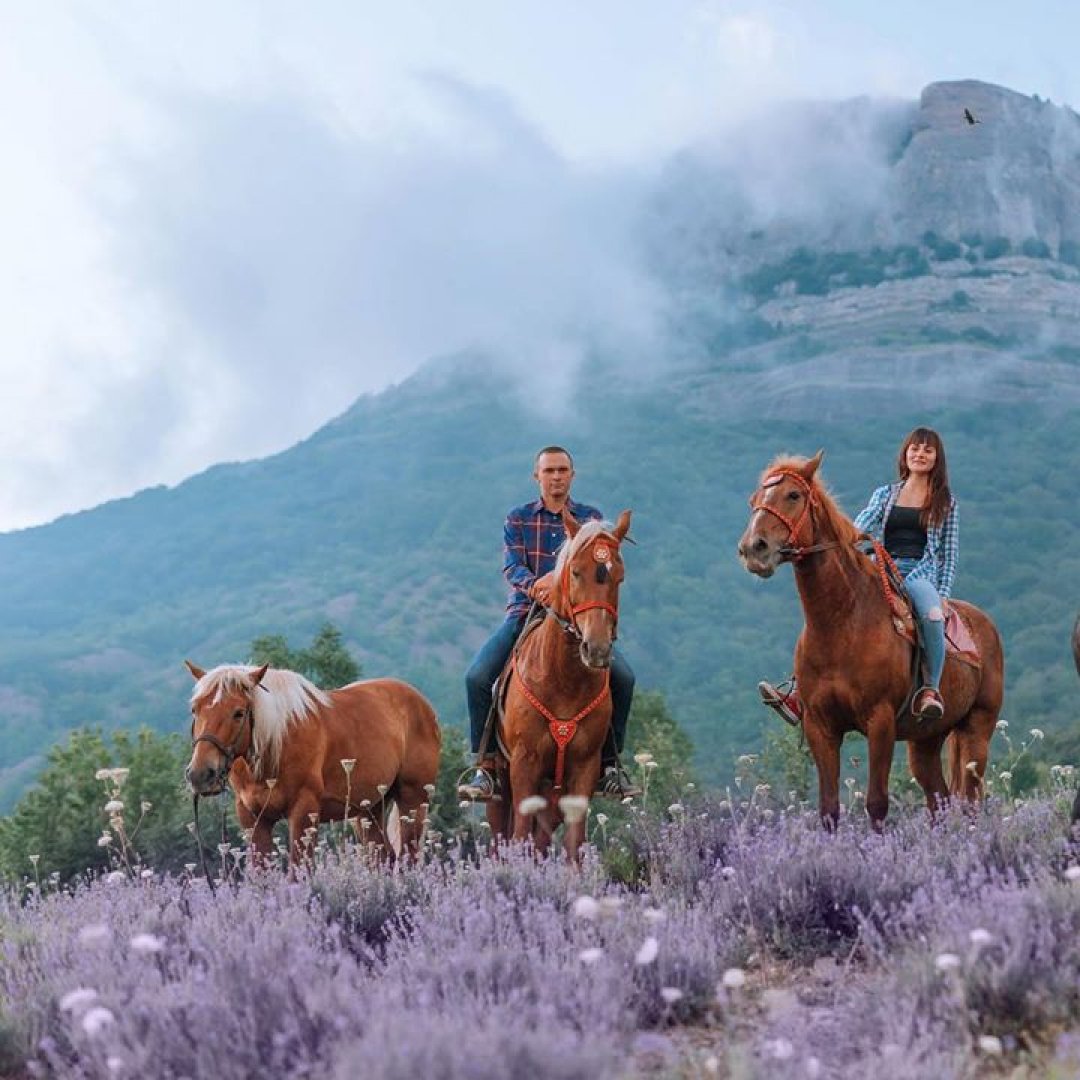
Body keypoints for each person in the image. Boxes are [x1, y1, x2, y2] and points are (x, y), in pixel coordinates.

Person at [457, 446, 637, 800]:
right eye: (549, 471)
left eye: (562, 470)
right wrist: (536, 585)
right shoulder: (518, 518)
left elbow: (601, 567)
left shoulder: (591, 519)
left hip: (578, 617)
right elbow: (511, 567)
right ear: (536, 476)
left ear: (572, 475)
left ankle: (610, 766)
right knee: (477, 677)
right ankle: (486, 767)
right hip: (527, 611)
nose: (556, 477)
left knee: (624, 678)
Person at [759, 427, 959, 724]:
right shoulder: (886, 494)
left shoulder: (946, 503)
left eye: (927, 450)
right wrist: (843, 538)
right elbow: (862, 524)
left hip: (920, 573)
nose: (920, 454)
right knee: (834, 609)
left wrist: (942, 594)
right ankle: (800, 692)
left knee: (931, 616)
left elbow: (949, 553)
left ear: (936, 459)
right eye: (915, 449)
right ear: (905, 454)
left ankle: (930, 690)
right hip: (882, 564)